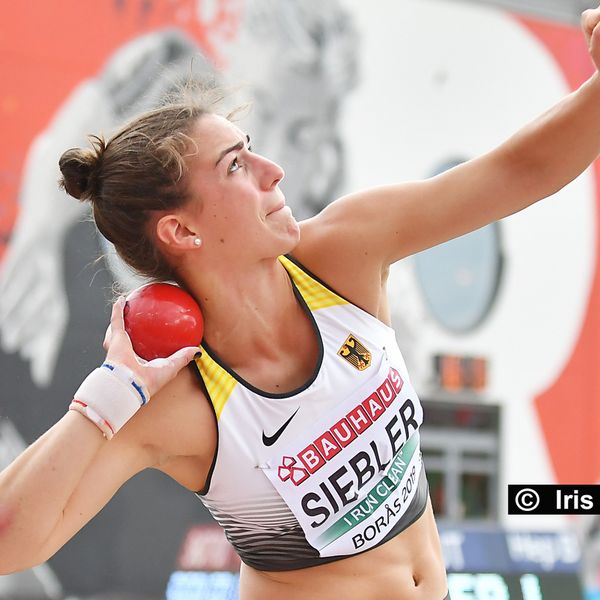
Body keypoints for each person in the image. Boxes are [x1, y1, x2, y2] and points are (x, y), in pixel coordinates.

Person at [2, 7, 600, 599]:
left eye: (251, 148)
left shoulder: (343, 252)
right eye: (236, 166)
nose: (273, 171)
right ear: (182, 231)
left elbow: (520, 171)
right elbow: (10, 542)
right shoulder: (177, 394)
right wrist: (108, 394)